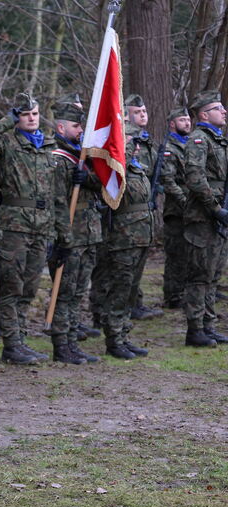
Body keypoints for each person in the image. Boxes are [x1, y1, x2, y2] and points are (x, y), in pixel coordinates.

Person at [0, 92, 58, 364]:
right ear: (16, 118)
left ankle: (20, 339)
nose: (31, 118)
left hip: (42, 225)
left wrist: (55, 229)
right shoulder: (6, 142)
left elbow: (54, 191)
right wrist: (5, 122)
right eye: (25, 114)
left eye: (35, 113)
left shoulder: (49, 145)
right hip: (14, 225)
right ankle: (11, 344)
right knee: (12, 286)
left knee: (30, 286)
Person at [49, 100, 102, 364]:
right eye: (76, 125)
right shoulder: (57, 157)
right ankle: (62, 345)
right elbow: (57, 202)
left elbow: (101, 184)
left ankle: (72, 341)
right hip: (70, 235)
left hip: (88, 232)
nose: (81, 130)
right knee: (65, 292)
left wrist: (88, 179)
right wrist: (63, 239)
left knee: (79, 291)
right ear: (61, 127)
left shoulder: (82, 154)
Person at [93, 138, 154, 359]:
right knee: (119, 289)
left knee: (130, 290)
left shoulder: (137, 167)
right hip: (123, 238)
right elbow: (110, 175)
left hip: (141, 236)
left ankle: (123, 335)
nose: (136, 147)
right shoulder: (117, 167)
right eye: (130, 141)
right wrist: (122, 147)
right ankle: (114, 340)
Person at [181, 91, 228, 347]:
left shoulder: (219, 140)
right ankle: (195, 329)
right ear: (204, 115)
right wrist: (215, 208)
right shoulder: (198, 140)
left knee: (213, 274)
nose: (224, 111)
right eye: (218, 108)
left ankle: (209, 325)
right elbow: (195, 178)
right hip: (203, 216)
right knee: (199, 275)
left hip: (218, 216)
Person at [123, 94, 163, 321]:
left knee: (138, 262)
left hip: (144, 205)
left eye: (144, 111)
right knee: (127, 263)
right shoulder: (128, 138)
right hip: (129, 208)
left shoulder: (145, 140)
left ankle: (135, 303)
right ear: (126, 115)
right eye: (137, 112)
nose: (142, 115)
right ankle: (126, 306)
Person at [161, 106, 192, 310]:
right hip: (177, 209)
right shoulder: (169, 147)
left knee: (190, 252)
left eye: (188, 120)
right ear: (172, 124)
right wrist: (184, 200)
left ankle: (186, 291)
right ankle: (173, 295)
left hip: (192, 208)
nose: (187, 123)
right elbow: (168, 180)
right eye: (182, 120)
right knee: (176, 253)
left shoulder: (190, 144)